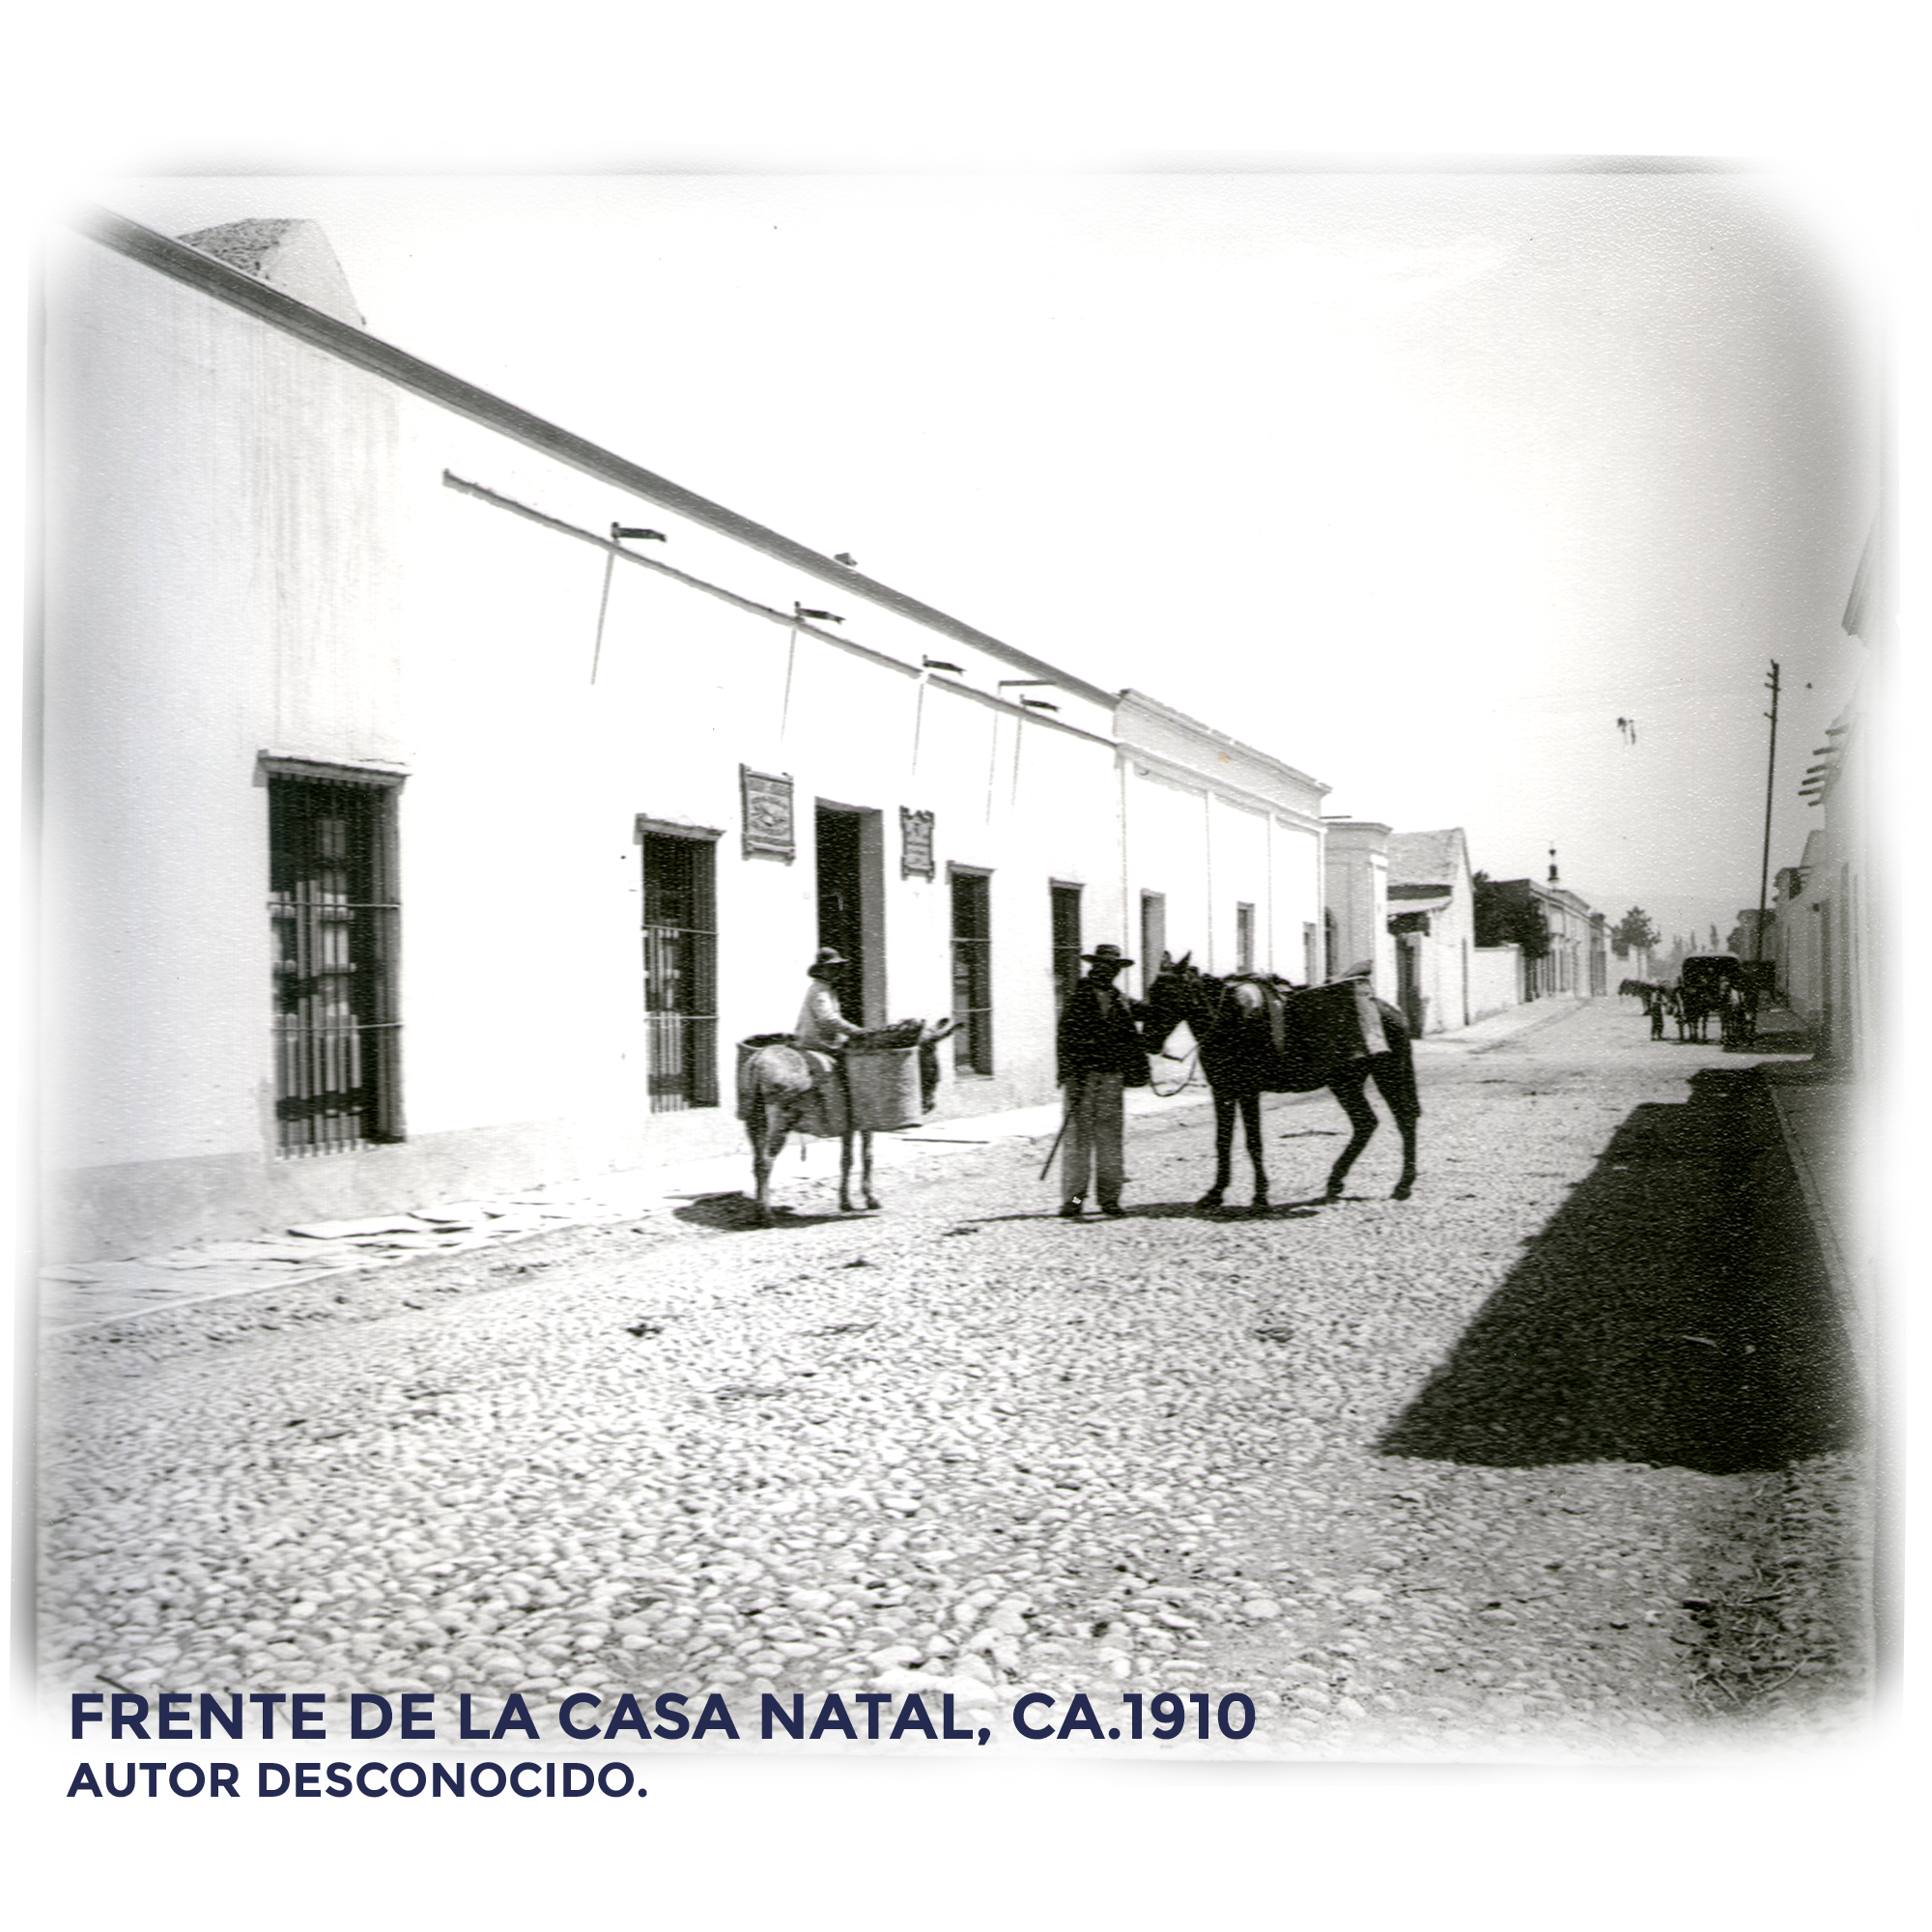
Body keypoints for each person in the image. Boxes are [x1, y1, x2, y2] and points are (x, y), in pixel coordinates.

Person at [1055, 942, 1151, 1218]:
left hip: (1111, 1077)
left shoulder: (1120, 998)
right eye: (1105, 966)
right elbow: (1064, 1037)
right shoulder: (1079, 996)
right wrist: (1070, 1074)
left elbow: (1148, 1012)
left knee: (1110, 1139)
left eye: (1114, 967)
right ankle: (1074, 1200)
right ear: (1094, 967)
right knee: (1078, 1141)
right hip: (1083, 1079)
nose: (1110, 971)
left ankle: (1110, 1199)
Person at [796, 947, 863, 1052]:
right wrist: (854, 1031)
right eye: (831, 968)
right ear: (821, 970)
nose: (836, 971)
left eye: (838, 968)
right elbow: (827, 1018)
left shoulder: (828, 989)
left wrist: (845, 1038)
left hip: (825, 1044)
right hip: (815, 1046)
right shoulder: (819, 990)